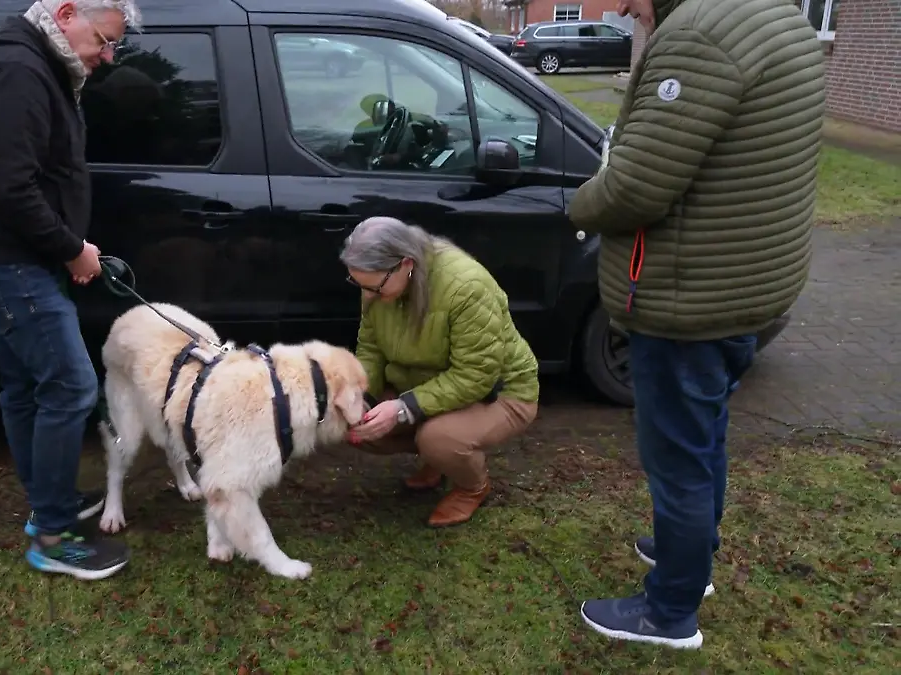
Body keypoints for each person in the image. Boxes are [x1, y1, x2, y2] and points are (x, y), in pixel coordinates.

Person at [568, 0, 825, 649]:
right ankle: (692, 552)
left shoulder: (700, 37)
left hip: (690, 300)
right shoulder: (778, 16)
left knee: (677, 457)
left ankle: (671, 609)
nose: (621, 7)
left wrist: (576, 203)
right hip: (746, 286)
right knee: (704, 431)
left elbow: (636, 186)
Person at [0, 0, 143, 581]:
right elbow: (10, 189)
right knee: (71, 388)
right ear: (67, 11)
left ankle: (45, 507)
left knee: (27, 387)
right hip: (7, 265)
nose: (107, 56)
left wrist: (64, 246)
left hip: (9, 258)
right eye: (105, 40)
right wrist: (71, 248)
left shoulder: (37, 63)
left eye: (113, 46)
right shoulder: (19, 72)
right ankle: (53, 538)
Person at [339, 217, 540, 528]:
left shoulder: (466, 287)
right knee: (351, 421)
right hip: (430, 387)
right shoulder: (380, 284)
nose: (367, 296)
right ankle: (438, 458)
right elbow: (371, 349)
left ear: (406, 264)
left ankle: (471, 486)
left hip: (500, 392)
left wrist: (403, 409)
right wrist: (361, 397)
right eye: (359, 286)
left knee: (438, 438)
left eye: (374, 287)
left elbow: (475, 375)